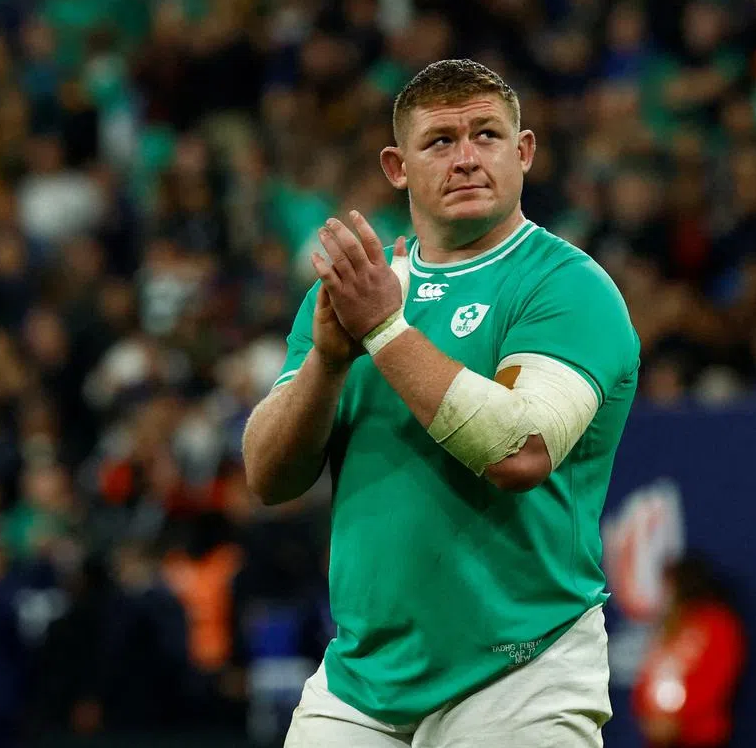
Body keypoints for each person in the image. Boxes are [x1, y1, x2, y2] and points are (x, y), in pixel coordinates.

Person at [242, 59, 640, 747]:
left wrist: (385, 332)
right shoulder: (354, 292)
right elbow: (267, 476)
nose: (465, 159)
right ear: (398, 167)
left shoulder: (570, 287)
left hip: (521, 673)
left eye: (485, 136)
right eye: (439, 142)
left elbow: (521, 449)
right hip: (361, 680)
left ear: (524, 153)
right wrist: (329, 361)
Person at [631, 555, 746, 748]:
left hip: (700, 739)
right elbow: (646, 677)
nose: (664, 594)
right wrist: (648, 716)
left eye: (669, 586)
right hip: (659, 740)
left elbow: (717, 679)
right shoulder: (669, 627)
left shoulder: (719, 623)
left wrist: (678, 720)